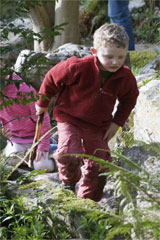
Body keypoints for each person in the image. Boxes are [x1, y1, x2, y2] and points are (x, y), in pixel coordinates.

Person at [35, 23, 139, 201]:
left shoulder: (125, 76)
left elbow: (129, 98)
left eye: (121, 56)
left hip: (98, 125)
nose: (115, 62)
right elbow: (51, 79)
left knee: (100, 163)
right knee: (68, 152)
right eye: (109, 56)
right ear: (94, 51)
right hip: (70, 118)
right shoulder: (76, 67)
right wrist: (43, 103)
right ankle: (69, 182)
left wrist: (117, 122)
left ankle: (88, 199)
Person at [0, 72, 55, 172]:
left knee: (42, 167)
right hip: (17, 139)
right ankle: (29, 157)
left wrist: (43, 145)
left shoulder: (22, 90)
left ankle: (54, 150)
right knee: (9, 160)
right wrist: (2, 131)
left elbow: (43, 118)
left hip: (37, 138)